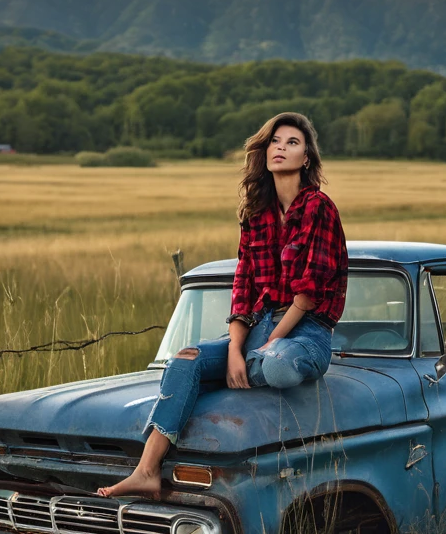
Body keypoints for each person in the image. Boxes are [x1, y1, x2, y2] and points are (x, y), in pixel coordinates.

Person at [98, 112, 348, 499]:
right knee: (185, 360)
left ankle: (235, 371)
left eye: (292, 142)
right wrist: (234, 349)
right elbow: (244, 287)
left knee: (279, 363)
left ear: (307, 159)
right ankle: (147, 470)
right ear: (264, 153)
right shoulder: (256, 214)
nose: (281, 148)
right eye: (275, 141)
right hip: (260, 326)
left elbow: (309, 294)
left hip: (307, 332)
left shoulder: (319, 208)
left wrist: (266, 346)